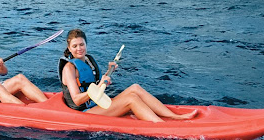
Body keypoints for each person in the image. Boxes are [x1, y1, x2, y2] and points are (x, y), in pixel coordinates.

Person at [59, 29, 196, 122]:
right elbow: (77, 100)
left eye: (81, 44)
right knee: (131, 99)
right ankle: (162, 125)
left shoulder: (88, 60)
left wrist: (108, 72)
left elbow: (95, 85)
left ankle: (173, 116)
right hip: (84, 113)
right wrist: (100, 85)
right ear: (69, 48)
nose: (79, 49)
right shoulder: (69, 68)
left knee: (135, 88)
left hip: (98, 104)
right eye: (75, 46)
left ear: (86, 44)